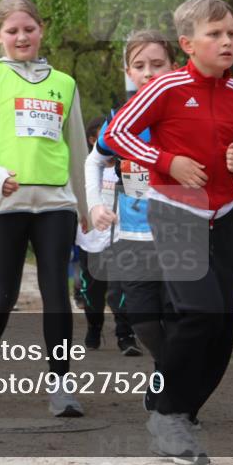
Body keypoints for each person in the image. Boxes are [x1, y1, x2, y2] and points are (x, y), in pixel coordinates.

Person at [105, 0, 233, 465]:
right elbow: (117, 134)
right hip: (174, 211)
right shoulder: (166, 88)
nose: (227, 41)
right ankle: (168, 412)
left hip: (222, 217)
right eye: (216, 34)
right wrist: (168, 161)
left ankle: (182, 410)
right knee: (199, 313)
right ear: (189, 44)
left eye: (231, 33)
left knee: (223, 329)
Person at [0, 0, 90, 418]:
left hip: (56, 203)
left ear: (41, 30)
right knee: (4, 293)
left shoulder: (64, 84)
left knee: (56, 293)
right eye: (12, 30)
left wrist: (86, 207)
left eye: (28, 29)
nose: (21, 37)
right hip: (4, 202)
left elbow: (77, 151)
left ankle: (61, 386)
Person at [89, 29, 179, 410]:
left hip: (180, 235)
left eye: (157, 65)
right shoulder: (120, 119)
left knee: (178, 316)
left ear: (174, 66)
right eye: (139, 66)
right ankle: (168, 367)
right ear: (128, 71)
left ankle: (177, 387)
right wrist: (95, 205)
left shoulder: (185, 114)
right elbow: (93, 160)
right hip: (133, 235)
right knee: (142, 317)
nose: (148, 73)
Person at [78, 114, 139, 355]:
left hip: (120, 237)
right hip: (91, 238)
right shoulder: (87, 167)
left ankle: (126, 335)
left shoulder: (127, 166)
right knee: (92, 293)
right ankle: (94, 327)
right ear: (94, 140)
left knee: (120, 290)